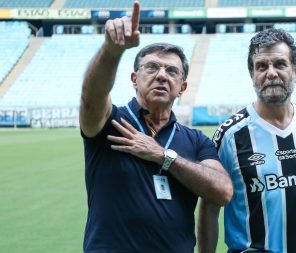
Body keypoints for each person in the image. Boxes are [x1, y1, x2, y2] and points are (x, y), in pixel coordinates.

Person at [79, 2, 233, 252]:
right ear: (134, 79)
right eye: (151, 67)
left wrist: (163, 156)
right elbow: (91, 97)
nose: (161, 75)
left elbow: (222, 191)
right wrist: (111, 50)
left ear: (182, 88)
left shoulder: (196, 141)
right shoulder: (111, 122)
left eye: (172, 71)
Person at [198, 28, 296, 253]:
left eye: (280, 64)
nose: (271, 73)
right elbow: (210, 208)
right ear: (252, 74)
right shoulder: (231, 135)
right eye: (262, 66)